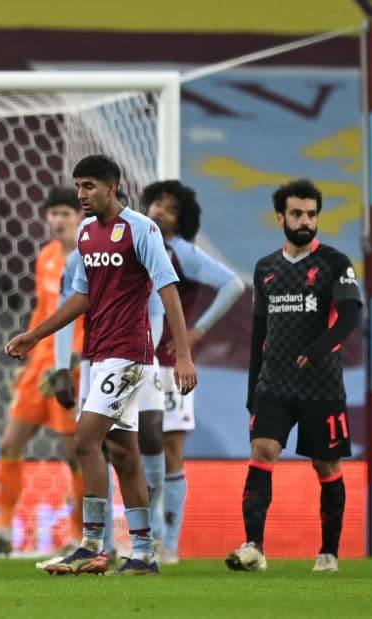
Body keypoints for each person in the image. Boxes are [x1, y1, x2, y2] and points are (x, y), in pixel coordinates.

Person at [6, 154, 197, 576]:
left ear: (112, 187)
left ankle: (92, 546)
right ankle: (144, 554)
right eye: (78, 186)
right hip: (96, 356)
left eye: (89, 185)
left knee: (84, 440)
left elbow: (168, 292)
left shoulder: (141, 230)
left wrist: (182, 354)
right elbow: (81, 297)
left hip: (129, 356)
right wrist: (35, 334)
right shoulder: (87, 233)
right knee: (123, 455)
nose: (81, 194)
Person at [226, 179, 362, 574]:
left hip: (322, 386)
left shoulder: (336, 262)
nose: (306, 221)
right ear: (280, 217)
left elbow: (352, 314)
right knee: (262, 452)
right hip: (275, 383)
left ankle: (328, 554)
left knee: (325, 465)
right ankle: (254, 548)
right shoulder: (265, 269)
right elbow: (258, 334)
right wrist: (253, 390)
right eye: (298, 214)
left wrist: (321, 347)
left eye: (312, 214)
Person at [143, 180, 245, 564]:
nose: (158, 211)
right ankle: (145, 535)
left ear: (181, 220)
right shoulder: (139, 245)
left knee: (170, 450)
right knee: (138, 448)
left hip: (170, 366)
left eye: (169, 208)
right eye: (155, 203)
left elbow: (232, 284)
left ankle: (167, 542)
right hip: (136, 360)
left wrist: (197, 330)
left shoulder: (182, 252)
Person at [0, 187, 86, 556]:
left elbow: (91, 319)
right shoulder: (45, 256)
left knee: (74, 453)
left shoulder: (91, 260)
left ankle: (80, 534)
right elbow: (43, 313)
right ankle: (2, 528)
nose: (58, 220)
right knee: (10, 443)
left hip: (71, 368)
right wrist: (29, 359)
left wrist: (73, 361)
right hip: (40, 363)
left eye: (65, 213)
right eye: (53, 213)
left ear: (80, 217)